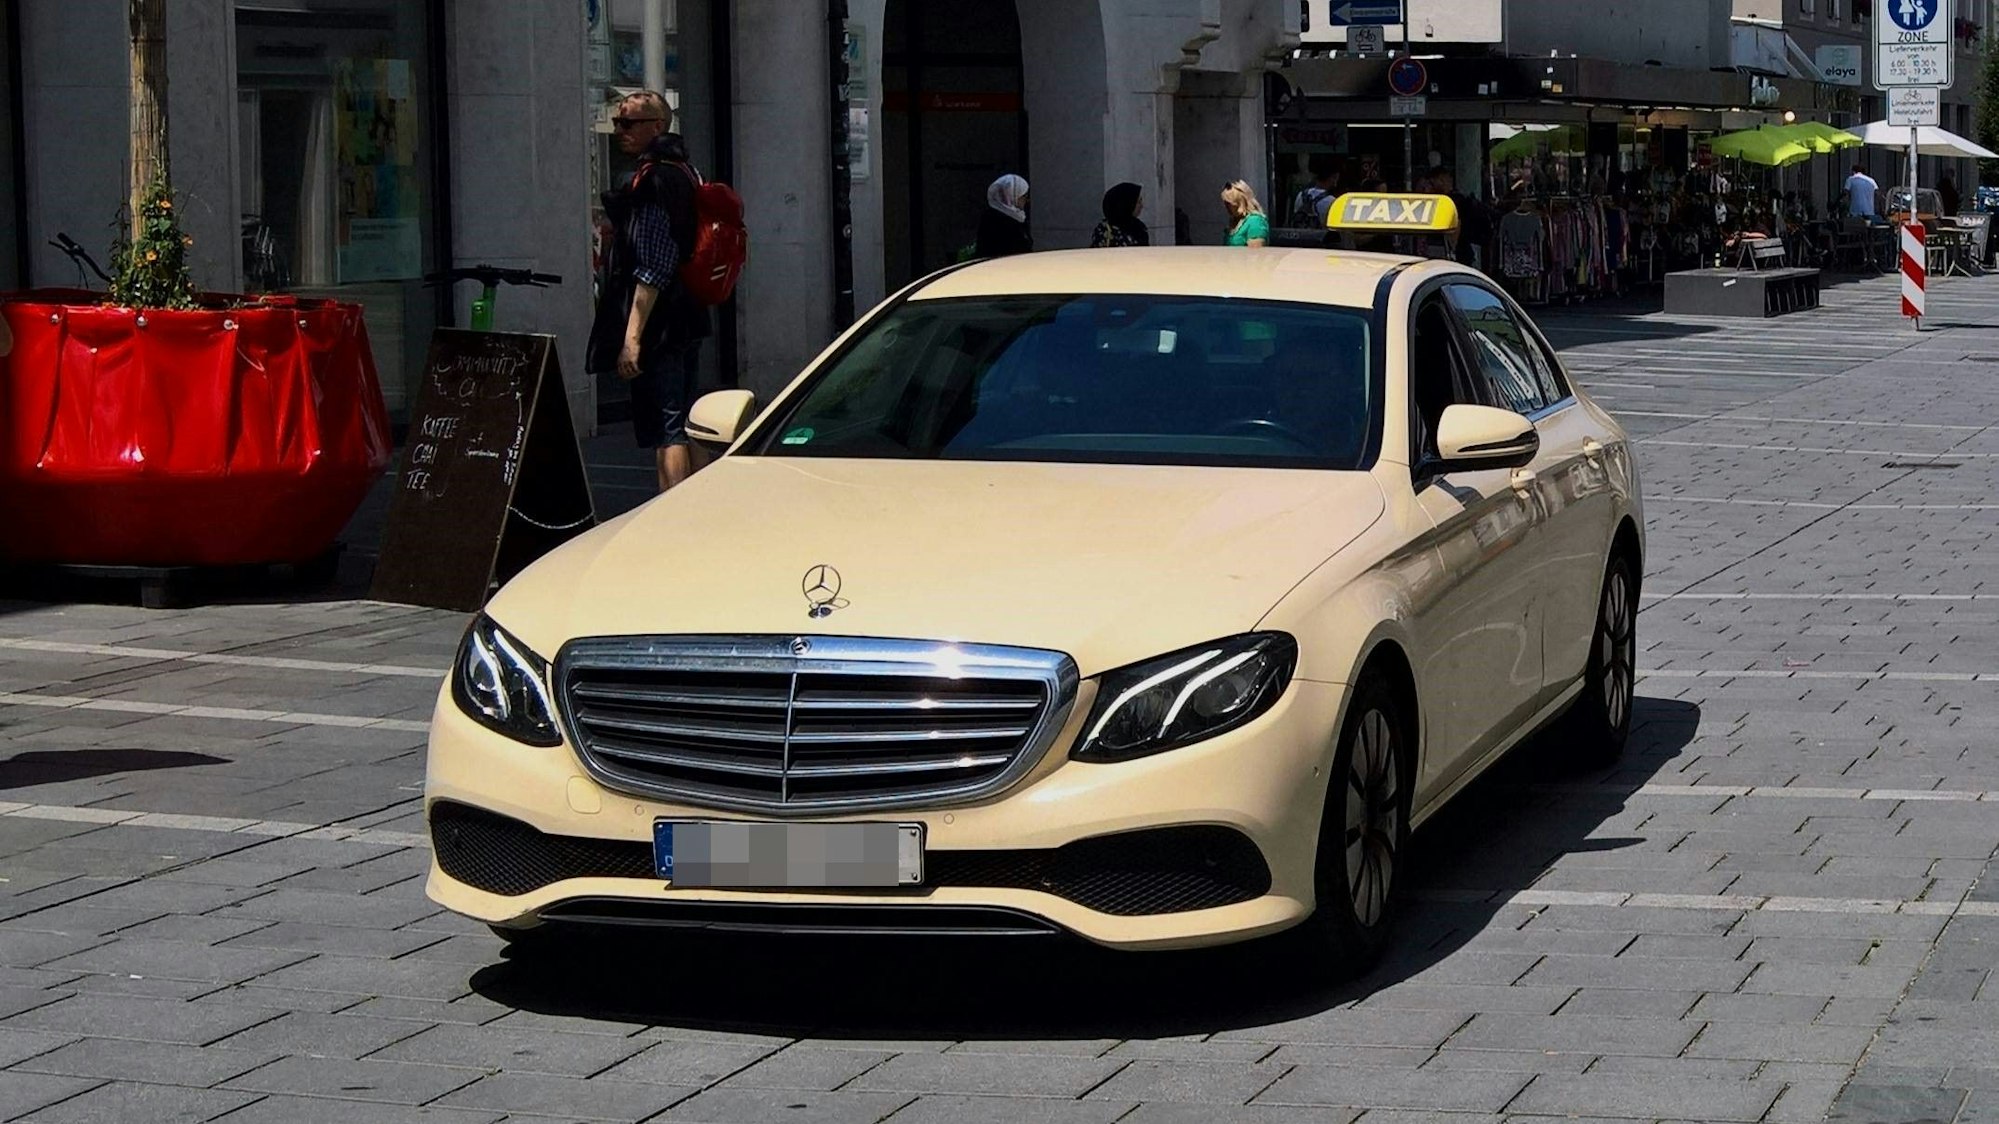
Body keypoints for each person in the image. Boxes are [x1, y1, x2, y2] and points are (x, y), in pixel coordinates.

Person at [587, 90, 712, 493]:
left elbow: (653, 265)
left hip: (662, 321)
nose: (619, 130)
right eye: (617, 122)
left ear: (656, 126)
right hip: (689, 311)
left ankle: (670, 514)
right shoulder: (688, 172)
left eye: (629, 123)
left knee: (668, 428)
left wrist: (632, 338)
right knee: (686, 419)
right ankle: (702, 508)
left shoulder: (653, 179)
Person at [975, 175, 1032, 258]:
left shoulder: (1015, 217)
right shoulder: (997, 221)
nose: (1027, 201)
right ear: (1012, 196)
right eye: (1023, 196)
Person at [1089, 182, 1150, 247]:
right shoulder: (1105, 231)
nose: (1141, 205)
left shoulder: (1139, 227)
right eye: (1138, 202)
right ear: (1127, 204)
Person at [1289, 159, 1339, 229]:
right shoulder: (1332, 202)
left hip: (1300, 237)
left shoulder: (1300, 195)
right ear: (1333, 178)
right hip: (1321, 238)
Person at [1221, 180, 1269, 247]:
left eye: (1229, 204)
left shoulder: (1255, 221)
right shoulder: (1234, 221)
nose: (1226, 207)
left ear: (1239, 202)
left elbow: (1255, 254)